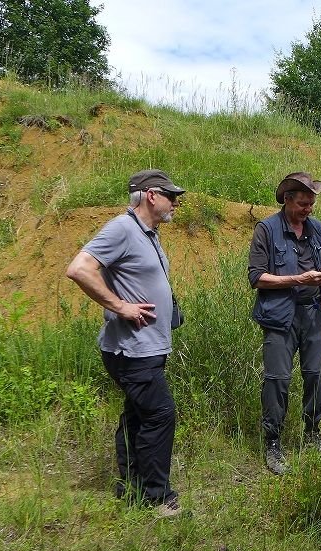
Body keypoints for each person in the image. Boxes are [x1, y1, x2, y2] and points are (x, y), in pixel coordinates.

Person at [66, 168, 186, 518]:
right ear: (151, 195)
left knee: (137, 415)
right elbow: (79, 269)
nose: (175, 202)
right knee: (160, 414)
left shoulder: (148, 233)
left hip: (147, 346)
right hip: (132, 350)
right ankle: (158, 497)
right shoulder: (121, 228)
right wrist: (120, 306)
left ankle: (131, 486)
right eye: (171, 196)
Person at [248, 172, 321, 475]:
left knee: (317, 374)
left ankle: (313, 432)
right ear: (287, 200)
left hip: (314, 312)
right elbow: (256, 277)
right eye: (302, 204)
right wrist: (296, 279)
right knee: (278, 379)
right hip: (279, 315)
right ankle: (272, 441)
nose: (308, 209)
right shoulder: (267, 230)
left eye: (311, 204)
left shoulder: (318, 229)